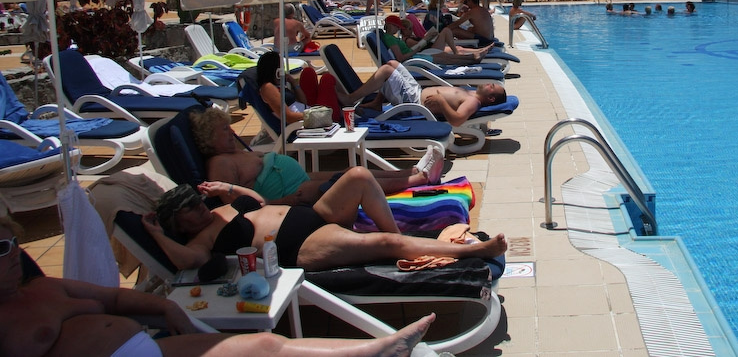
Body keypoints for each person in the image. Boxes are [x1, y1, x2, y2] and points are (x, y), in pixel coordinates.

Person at [0, 214, 437, 357]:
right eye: (3, 249)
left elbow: (114, 297)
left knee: (265, 343)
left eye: (15, 244)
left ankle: (375, 350)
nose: (16, 254)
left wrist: (166, 309)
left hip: (147, 346)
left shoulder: (45, 287)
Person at [146, 184, 507, 275]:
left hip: (312, 216)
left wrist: (229, 189)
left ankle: (400, 239)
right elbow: (187, 262)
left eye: (196, 200)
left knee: (359, 177)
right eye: (189, 208)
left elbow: (257, 203)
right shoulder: (201, 239)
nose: (199, 207)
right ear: (178, 223)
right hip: (301, 243)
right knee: (382, 242)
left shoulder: (218, 211)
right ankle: (473, 250)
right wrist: (156, 235)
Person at [191, 107, 445, 206]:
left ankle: (410, 172)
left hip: (301, 180)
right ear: (208, 138)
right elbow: (234, 204)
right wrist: (283, 201)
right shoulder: (220, 163)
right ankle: (419, 180)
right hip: (294, 194)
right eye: (223, 129)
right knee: (356, 179)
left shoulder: (234, 153)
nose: (231, 132)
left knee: (349, 171)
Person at [338, 61, 506, 128]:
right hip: (416, 92)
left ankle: (350, 99)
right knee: (393, 64)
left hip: (415, 105)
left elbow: (457, 121)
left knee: (387, 70)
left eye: (492, 86)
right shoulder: (472, 93)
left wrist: (441, 100)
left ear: (490, 98)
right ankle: (377, 103)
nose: (489, 83)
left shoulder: (473, 102)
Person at [382, 15, 494, 65]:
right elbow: (400, 58)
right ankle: (473, 58)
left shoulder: (392, 38)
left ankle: (473, 58)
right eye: (396, 26)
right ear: (390, 25)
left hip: (416, 56)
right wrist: (416, 50)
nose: (397, 29)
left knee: (445, 56)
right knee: (445, 58)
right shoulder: (390, 38)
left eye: (398, 27)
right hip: (413, 59)